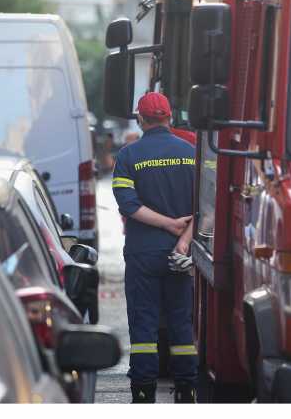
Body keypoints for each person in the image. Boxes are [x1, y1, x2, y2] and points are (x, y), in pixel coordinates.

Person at [112, 92, 197, 404]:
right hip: (180, 255)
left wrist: (166, 224)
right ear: (170, 117)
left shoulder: (128, 156)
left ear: (140, 119)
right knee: (181, 323)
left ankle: (144, 393)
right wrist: (183, 239)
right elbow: (205, 205)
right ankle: (187, 390)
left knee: (144, 327)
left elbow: (128, 205)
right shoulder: (191, 153)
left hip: (143, 254)